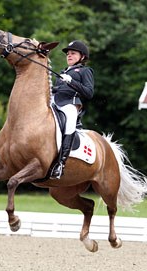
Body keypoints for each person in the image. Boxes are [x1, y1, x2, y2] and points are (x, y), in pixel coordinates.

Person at [50, 40, 94, 179]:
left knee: (69, 124)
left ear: (82, 57)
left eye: (73, 53)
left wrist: (71, 81)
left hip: (70, 104)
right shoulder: (63, 72)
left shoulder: (85, 71)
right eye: (68, 54)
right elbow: (59, 90)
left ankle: (61, 163)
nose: (69, 56)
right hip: (55, 102)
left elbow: (89, 92)